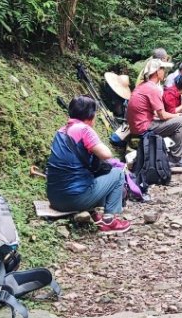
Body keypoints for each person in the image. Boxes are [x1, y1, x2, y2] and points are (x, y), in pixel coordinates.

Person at [45, 95, 131, 235]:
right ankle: (109, 221)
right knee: (118, 174)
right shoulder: (84, 130)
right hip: (74, 199)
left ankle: (93, 215)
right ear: (91, 115)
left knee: (82, 177)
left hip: (54, 199)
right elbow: (107, 154)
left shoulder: (61, 131)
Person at [127, 58, 182, 167]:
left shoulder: (143, 86)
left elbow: (154, 113)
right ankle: (175, 158)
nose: (164, 71)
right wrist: (176, 115)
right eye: (163, 69)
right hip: (144, 128)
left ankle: (169, 153)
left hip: (137, 125)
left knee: (175, 120)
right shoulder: (153, 89)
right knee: (181, 121)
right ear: (157, 72)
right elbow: (162, 115)